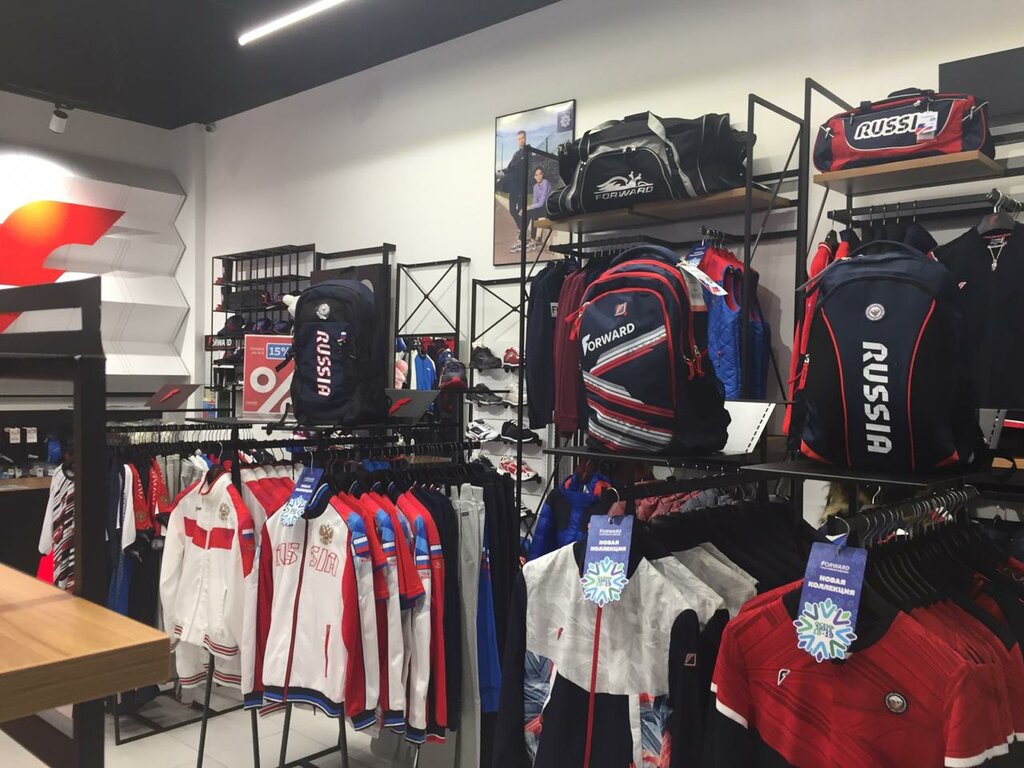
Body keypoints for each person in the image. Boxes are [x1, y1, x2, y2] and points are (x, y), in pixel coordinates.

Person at [503, 131, 528, 252]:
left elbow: (518, 166)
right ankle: (522, 230)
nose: (521, 140)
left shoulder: (527, 151)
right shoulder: (516, 153)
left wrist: (512, 169)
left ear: (525, 138)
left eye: (522, 138)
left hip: (521, 186)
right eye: (519, 139)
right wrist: (507, 170)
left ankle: (522, 237)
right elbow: (510, 167)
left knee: (520, 211)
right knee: (512, 210)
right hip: (513, 186)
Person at [525, 166, 552, 250]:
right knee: (530, 213)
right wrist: (528, 209)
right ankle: (527, 239)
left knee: (533, 213)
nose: (538, 176)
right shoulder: (535, 186)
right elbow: (535, 202)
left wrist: (528, 207)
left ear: (543, 174)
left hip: (548, 208)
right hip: (541, 208)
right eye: (536, 175)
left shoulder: (545, 182)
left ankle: (533, 240)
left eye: (540, 174)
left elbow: (541, 203)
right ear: (534, 177)